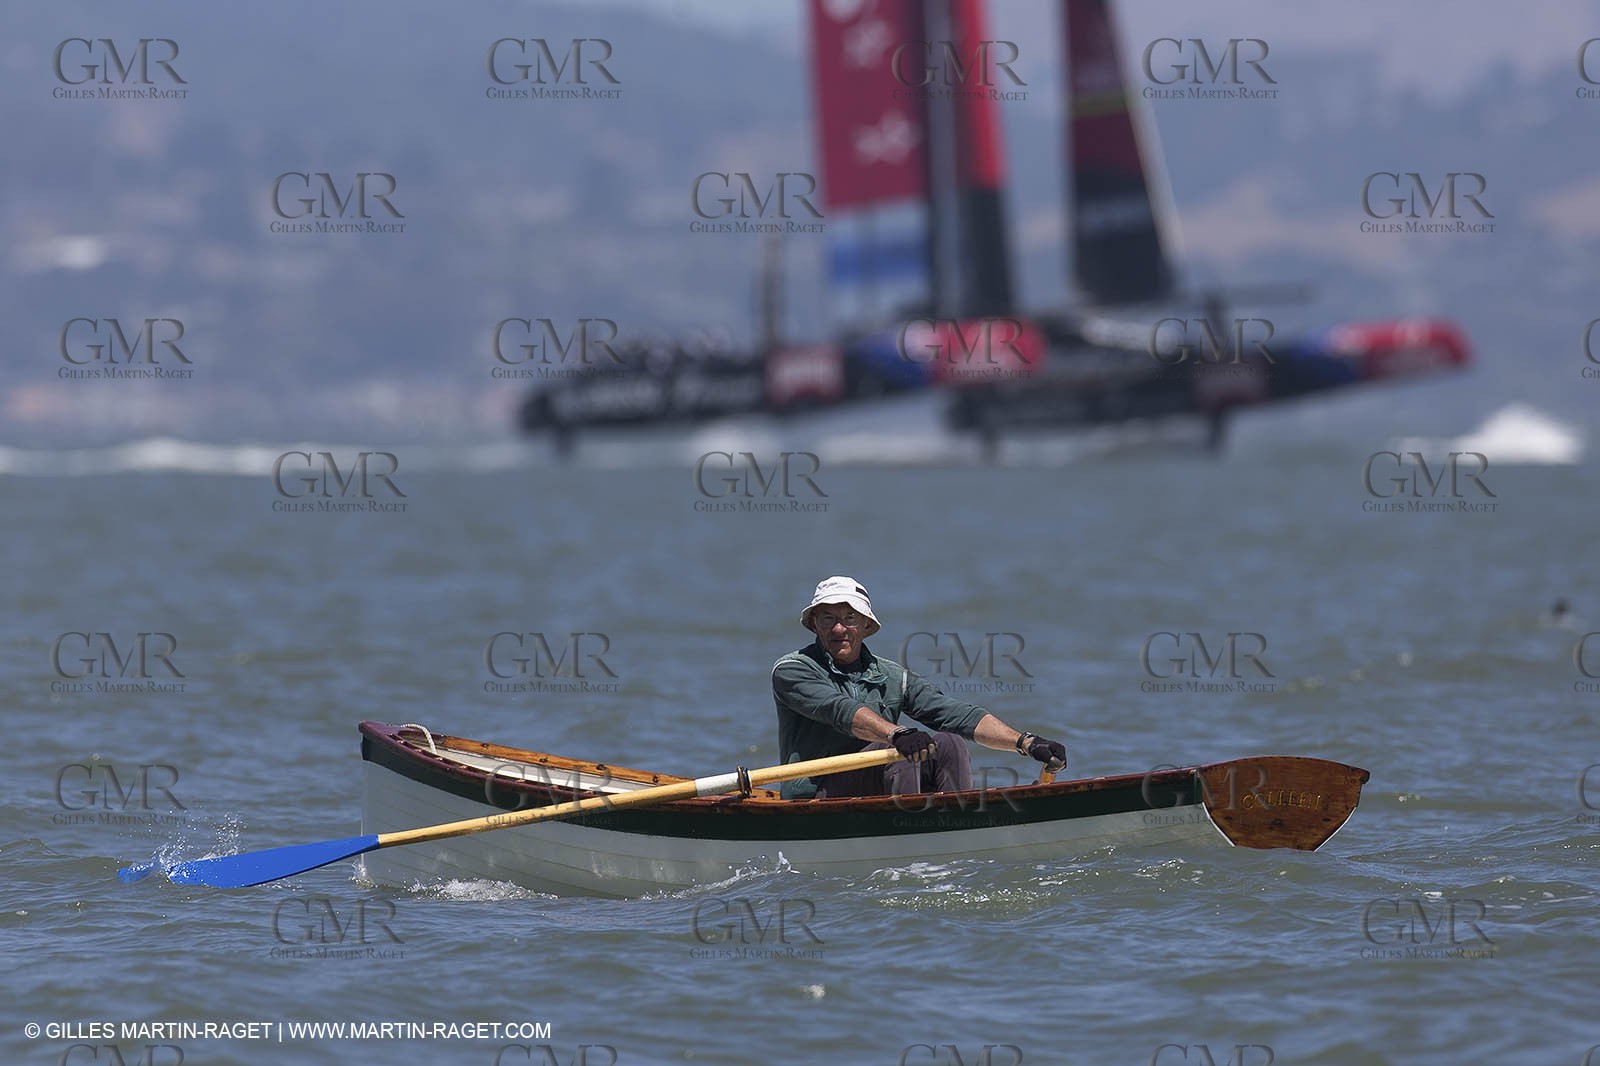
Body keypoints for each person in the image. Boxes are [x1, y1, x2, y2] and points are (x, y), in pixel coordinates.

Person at [770, 575, 1068, 800]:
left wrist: (1025, 742)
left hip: (878, 778)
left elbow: (954, 714)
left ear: (866, 626)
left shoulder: (892, 675)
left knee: (949, 743)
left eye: (849, 618)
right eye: (828, 619)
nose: (839, 628)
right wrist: (897, 734)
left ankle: (956, 826)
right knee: (896, 752)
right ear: (814, 625)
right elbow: (840, 710)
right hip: (817, 792)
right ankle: (909, 834)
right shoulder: (793, 670)